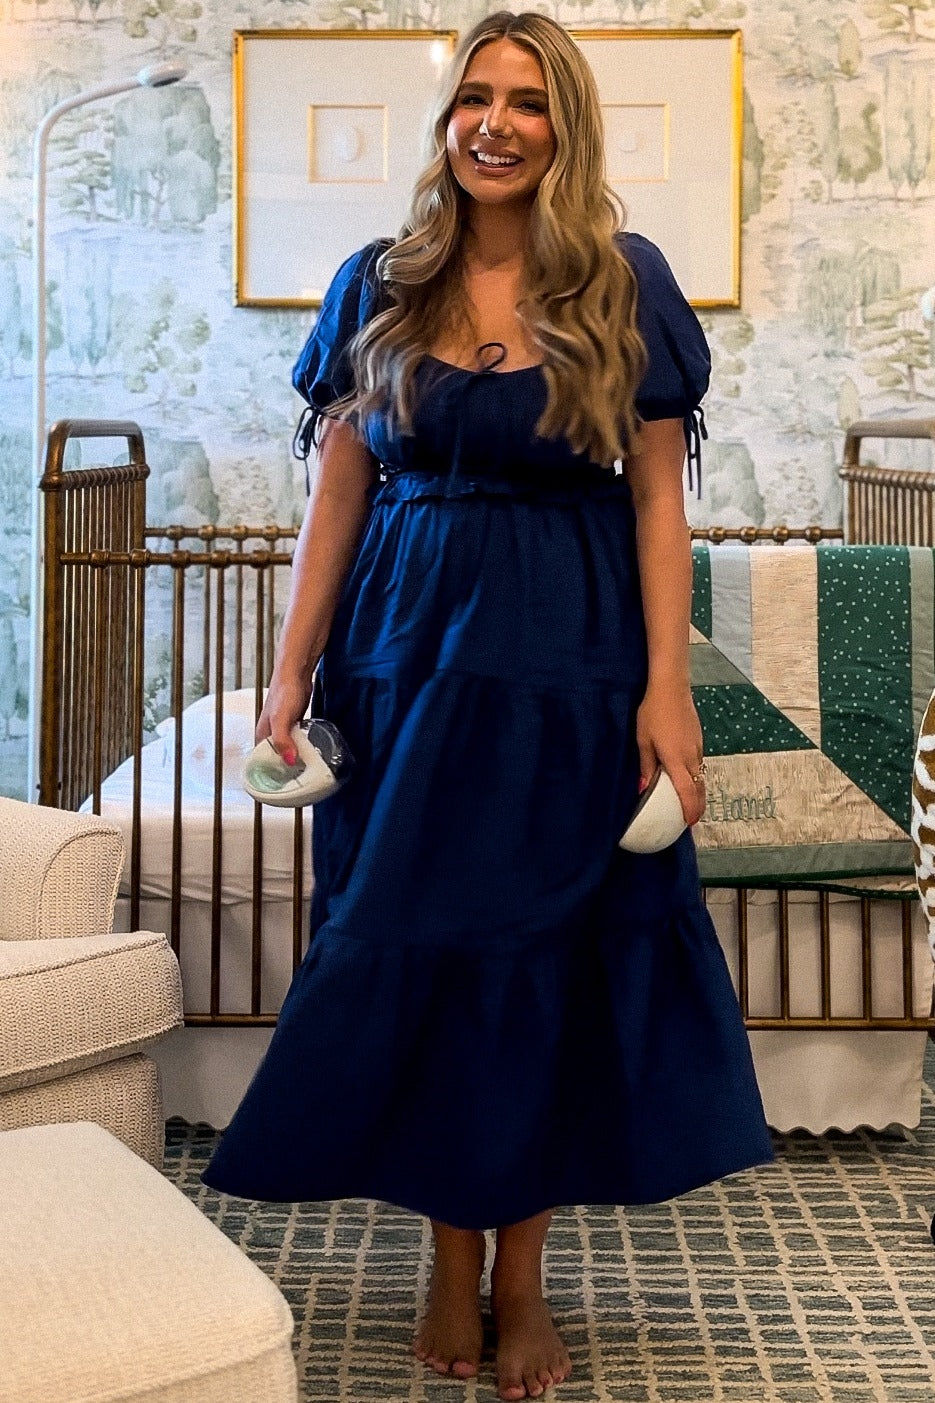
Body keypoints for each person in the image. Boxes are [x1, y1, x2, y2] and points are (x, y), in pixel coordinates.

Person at [203, 12, 775, 1399]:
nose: (496, 123)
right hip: (400, 664)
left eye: (527, 100)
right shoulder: (381, 281)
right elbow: (339, 491)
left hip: (567, 665)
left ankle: (519, 1276)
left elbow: (658, 502)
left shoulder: (624, 282)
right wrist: (290, 670)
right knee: (419, 939)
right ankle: (445, 1258)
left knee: (545, 957)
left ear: (564, 127)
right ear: (448, 119)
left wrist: (669, 691)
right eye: (475, 97)